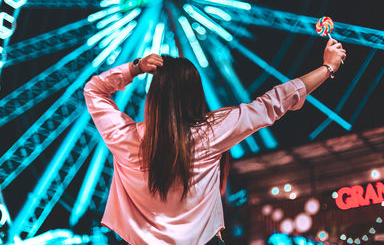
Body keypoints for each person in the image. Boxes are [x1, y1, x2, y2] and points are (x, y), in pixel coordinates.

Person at [83, 38, 346, 245]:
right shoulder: (211, 132)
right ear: (195, 93)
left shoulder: (125, 138)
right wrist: (328, 67)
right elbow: (274, 102)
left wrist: (136, 67)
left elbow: (94, 89)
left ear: (153, 96)